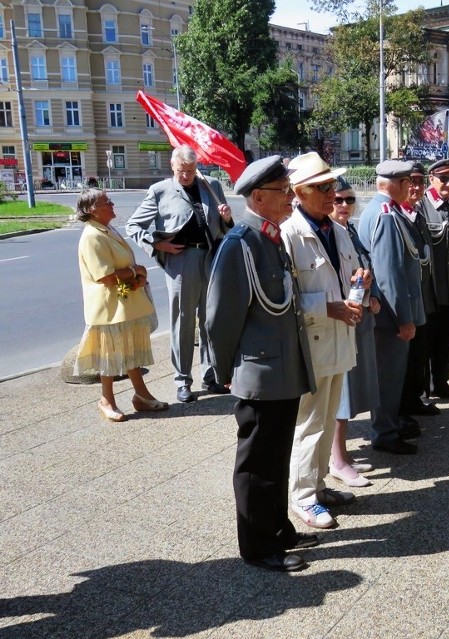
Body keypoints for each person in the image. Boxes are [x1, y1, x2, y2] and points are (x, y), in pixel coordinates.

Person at [207, 155, 318, 572]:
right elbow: (220, 318)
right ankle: (258, 546)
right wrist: (224, 372)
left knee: (277, 456)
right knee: (257, 465)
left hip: (283, 369)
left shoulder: (270, 239)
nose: (291, 198)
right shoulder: (240, 244)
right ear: (258, 196)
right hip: (258, 374)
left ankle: (278, 528)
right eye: (283, 192)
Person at [282, 152, 365, 530]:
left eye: (332, 184)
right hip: (312, 344)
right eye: (321, 187)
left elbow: (347, 278)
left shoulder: (338, 228)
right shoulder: (289, 233)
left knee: (328, 420)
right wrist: (327, 308)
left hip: (339, 339)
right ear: (298, 192)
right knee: (310, 425)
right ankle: (302, 498)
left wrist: (361, 288)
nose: (332, 193)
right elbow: (283, 299)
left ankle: (317, 487)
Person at [126, 145, 233, 403]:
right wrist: (156, 244)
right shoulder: (160, 191)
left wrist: (227, 218)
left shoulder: (211, 186)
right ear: (173, 167)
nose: (187, 176)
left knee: (211, 321)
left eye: (191, 170)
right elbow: (133, 225)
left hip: (211, 258)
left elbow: (226, 228)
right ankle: (183, 380)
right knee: (182, 322)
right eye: (182, 171)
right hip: (181, 261)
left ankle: (212, 376)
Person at [73, 189, 168, 422]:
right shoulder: (92, 236)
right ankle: (107, 400)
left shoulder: (106, 229)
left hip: (124, 304)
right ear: (92, 210)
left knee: (130, 352)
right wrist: (136, 272)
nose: (112, 204)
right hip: (109, 308)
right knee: (110, 356)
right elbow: (103, 276)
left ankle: (141, 396)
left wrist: (137, 277)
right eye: (107, 202)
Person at [358, 160, 425, 456]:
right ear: (395, 184)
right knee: (388, 375)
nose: (411, 187)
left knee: (390, 374)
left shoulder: (385, 211)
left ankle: (390, 424)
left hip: (386, 313)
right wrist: (403, 319)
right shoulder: (386, 215)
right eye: (407, 182)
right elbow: (389, 273)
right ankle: (385, 433)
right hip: (389, 316)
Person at [328, 176, 380, 488]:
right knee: (341, 394)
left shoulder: (350, 229)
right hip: (340, 318)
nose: (345, 205)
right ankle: (336, 460)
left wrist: (370, 293)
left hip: (358, 315)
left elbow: (360, 270)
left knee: (350, 390)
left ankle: (342, 455)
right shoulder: (330, 233)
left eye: (349, 199)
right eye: (338, 200)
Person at [416, 159, 449, 399]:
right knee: (427, 340)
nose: (448, 184)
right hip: (430, 289)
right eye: (443, 179)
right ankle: (425, 389)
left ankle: (442, 383)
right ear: (432, 179)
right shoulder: (421, 206)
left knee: (447, 338)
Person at [398, 162, 440, 419]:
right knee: (407, 357)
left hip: (423, 295)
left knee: (420, 354)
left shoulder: (418, 213)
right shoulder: (396, 215)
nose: (416, 187)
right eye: (411, 182)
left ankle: (416, 398)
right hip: (408, 298)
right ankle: (405, 406)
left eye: (420, 182)